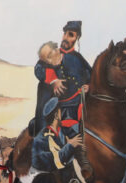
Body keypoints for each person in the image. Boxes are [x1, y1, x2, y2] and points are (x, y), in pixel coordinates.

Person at [33, 21, 92, 175]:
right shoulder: (52, 54)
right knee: (68, 134)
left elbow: (90, 74)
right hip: (60, 107)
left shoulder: (78, 58)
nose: (66, 37)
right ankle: (71, 170)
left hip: (78, 104)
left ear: (76, 38)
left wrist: (89, 85)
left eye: (70, 35)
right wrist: (53, 80)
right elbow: (38, 68)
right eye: (65, 33)